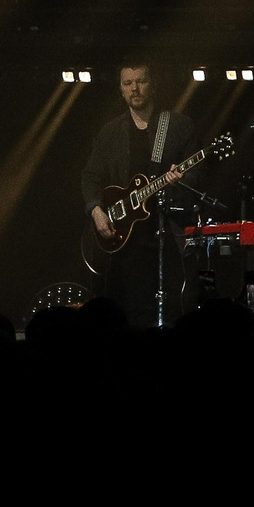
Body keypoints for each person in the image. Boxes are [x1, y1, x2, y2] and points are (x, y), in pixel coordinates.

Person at [79, 62, 191, 329]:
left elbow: (198, 174)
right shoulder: (110, 132)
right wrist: (96, 210)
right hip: (124, 240)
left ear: (152, 85)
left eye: (140, 81)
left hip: (166, 233)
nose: (135, 88)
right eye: (128, 83)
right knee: (128, 310)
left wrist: (179, 181)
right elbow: (90, 176)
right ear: (121, 89)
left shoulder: (176, 125)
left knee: (171, 308)